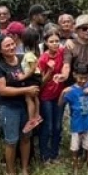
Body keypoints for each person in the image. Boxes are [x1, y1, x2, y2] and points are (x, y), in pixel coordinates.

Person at [0, 34, 38, 175]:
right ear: (0, 50)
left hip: (26, 106)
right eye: (7, 46)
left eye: (13, 44)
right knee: (11, 141)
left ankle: (25, 170)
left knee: (26, 138)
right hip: (8, 108)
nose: (12, 47)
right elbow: (2, 90)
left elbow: (35, 70)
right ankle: (10, 172)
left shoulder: (22, 58)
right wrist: (26, 90)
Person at [37, 30, 68, 163]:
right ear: (46, 42)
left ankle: (55, 154)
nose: (55, 44)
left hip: (60, 94)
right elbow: (41, 83)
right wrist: (50, 70)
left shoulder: (62, 52)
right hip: (46, 96)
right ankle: (44, 155)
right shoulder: (43, 59)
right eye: (51, 41)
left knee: (58, 125)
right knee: (48, 126)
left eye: (57, 41)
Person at [61, 65, 88, 174]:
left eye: (85, 78)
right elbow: (60, 104)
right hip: (76, 125)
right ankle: (75, 170)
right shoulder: (71, 90)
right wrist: (63, 92)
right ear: (74, 75)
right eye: (80, 78)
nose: (83, 81)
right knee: (75, 148)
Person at [63, 15, 88, 86]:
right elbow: (66, 64)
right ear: (77, 30)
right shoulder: (70, 45)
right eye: (84, 28)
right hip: (75, 86)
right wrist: (64, 75)